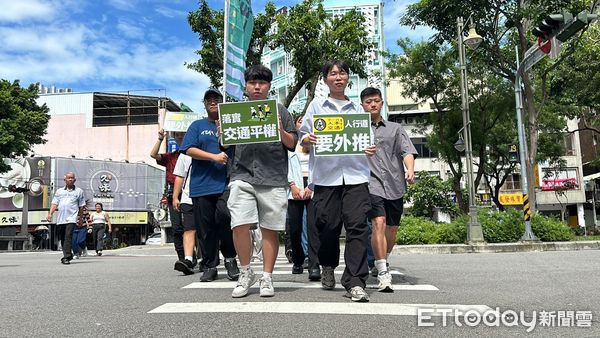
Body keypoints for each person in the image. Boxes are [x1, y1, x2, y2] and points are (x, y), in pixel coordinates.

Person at [299, 60, 376, 302]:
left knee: (357, 228)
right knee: (328, 227)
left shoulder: (357, 110)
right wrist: (307, 140)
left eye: (342, 73)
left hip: (355, 177)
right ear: (325, 79)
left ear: (347, 78)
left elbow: (368, 139)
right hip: (326, 178)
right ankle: (328, 264)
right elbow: (302, 139)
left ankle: (355, 281)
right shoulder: (316, 106)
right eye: (333, 73)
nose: (338, 77)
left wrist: (370, 148)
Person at [226, 64, 298, 298]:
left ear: (269, 86)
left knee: (270, 230)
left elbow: (292, 143)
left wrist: (279, 129)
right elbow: (225, 145)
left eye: (262, 83)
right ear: (245, 86)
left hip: (273, 176)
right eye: (252, 83)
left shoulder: (281, 111)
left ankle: (266, 276)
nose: (257, 87)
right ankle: (246, 272)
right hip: (242, 175)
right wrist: (222, 133)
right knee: (238, 224)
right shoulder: (235, 112)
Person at [361, 87, 417, 292]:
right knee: (378, 222)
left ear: (381, 103)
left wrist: (410, 170)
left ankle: (380, 258)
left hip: (395, 184)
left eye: (376, 101)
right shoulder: (357, 129)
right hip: (371, 183)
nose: (372, 104)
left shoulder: (395, 128)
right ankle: (383, 271)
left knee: (391, 229)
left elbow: (407, 151)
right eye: (368, 102)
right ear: (362, 105)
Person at [180, 88, 239, 282]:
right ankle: (210, 265)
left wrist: (225, 136)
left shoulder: (231, 124)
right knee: (205, 229)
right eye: (209, 99)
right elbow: (188, 149)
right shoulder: (197, 126)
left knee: (225, 219)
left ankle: (230, 259)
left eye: (216, 99)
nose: (213, 102)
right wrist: (213, 156)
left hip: (225, 183)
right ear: (204, 104)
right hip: (201, 185)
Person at [286, 114, 321, 281]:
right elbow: (283, 165)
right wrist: (292, 185)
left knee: (313, 227)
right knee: (295, 227)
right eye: (300, 121)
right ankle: (298, 260)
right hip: (294, 186)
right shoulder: (290, 143)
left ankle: (314, 265)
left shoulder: (317, 141)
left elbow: (323, 165)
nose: (302, 124)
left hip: (313, 185)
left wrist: (311, 186)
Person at [150, 128, 185, 265]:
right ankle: (182, 258)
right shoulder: (171, 156)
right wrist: (160, 138)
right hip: (173, 194)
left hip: (191, 191)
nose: (180, 137)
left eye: (183, 134)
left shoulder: (193, 154)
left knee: (193, 227)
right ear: (174, 137)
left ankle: (198, 257)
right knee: (177, 228)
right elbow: (153, 154)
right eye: (178, 134)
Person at [47, 172, 86, 265]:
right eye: (68, 178)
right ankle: (68, 255)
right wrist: (50, 214)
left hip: (72, 217)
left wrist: (80, 218)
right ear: (65, 180)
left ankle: (67, 256)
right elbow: (54, 203)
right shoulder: (59, 191)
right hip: (61, 219)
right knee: (63, 237)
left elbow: (81, 206)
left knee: (68, 236)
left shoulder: (79, 191)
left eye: (72, 178)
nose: (70, 179)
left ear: (75, 180)